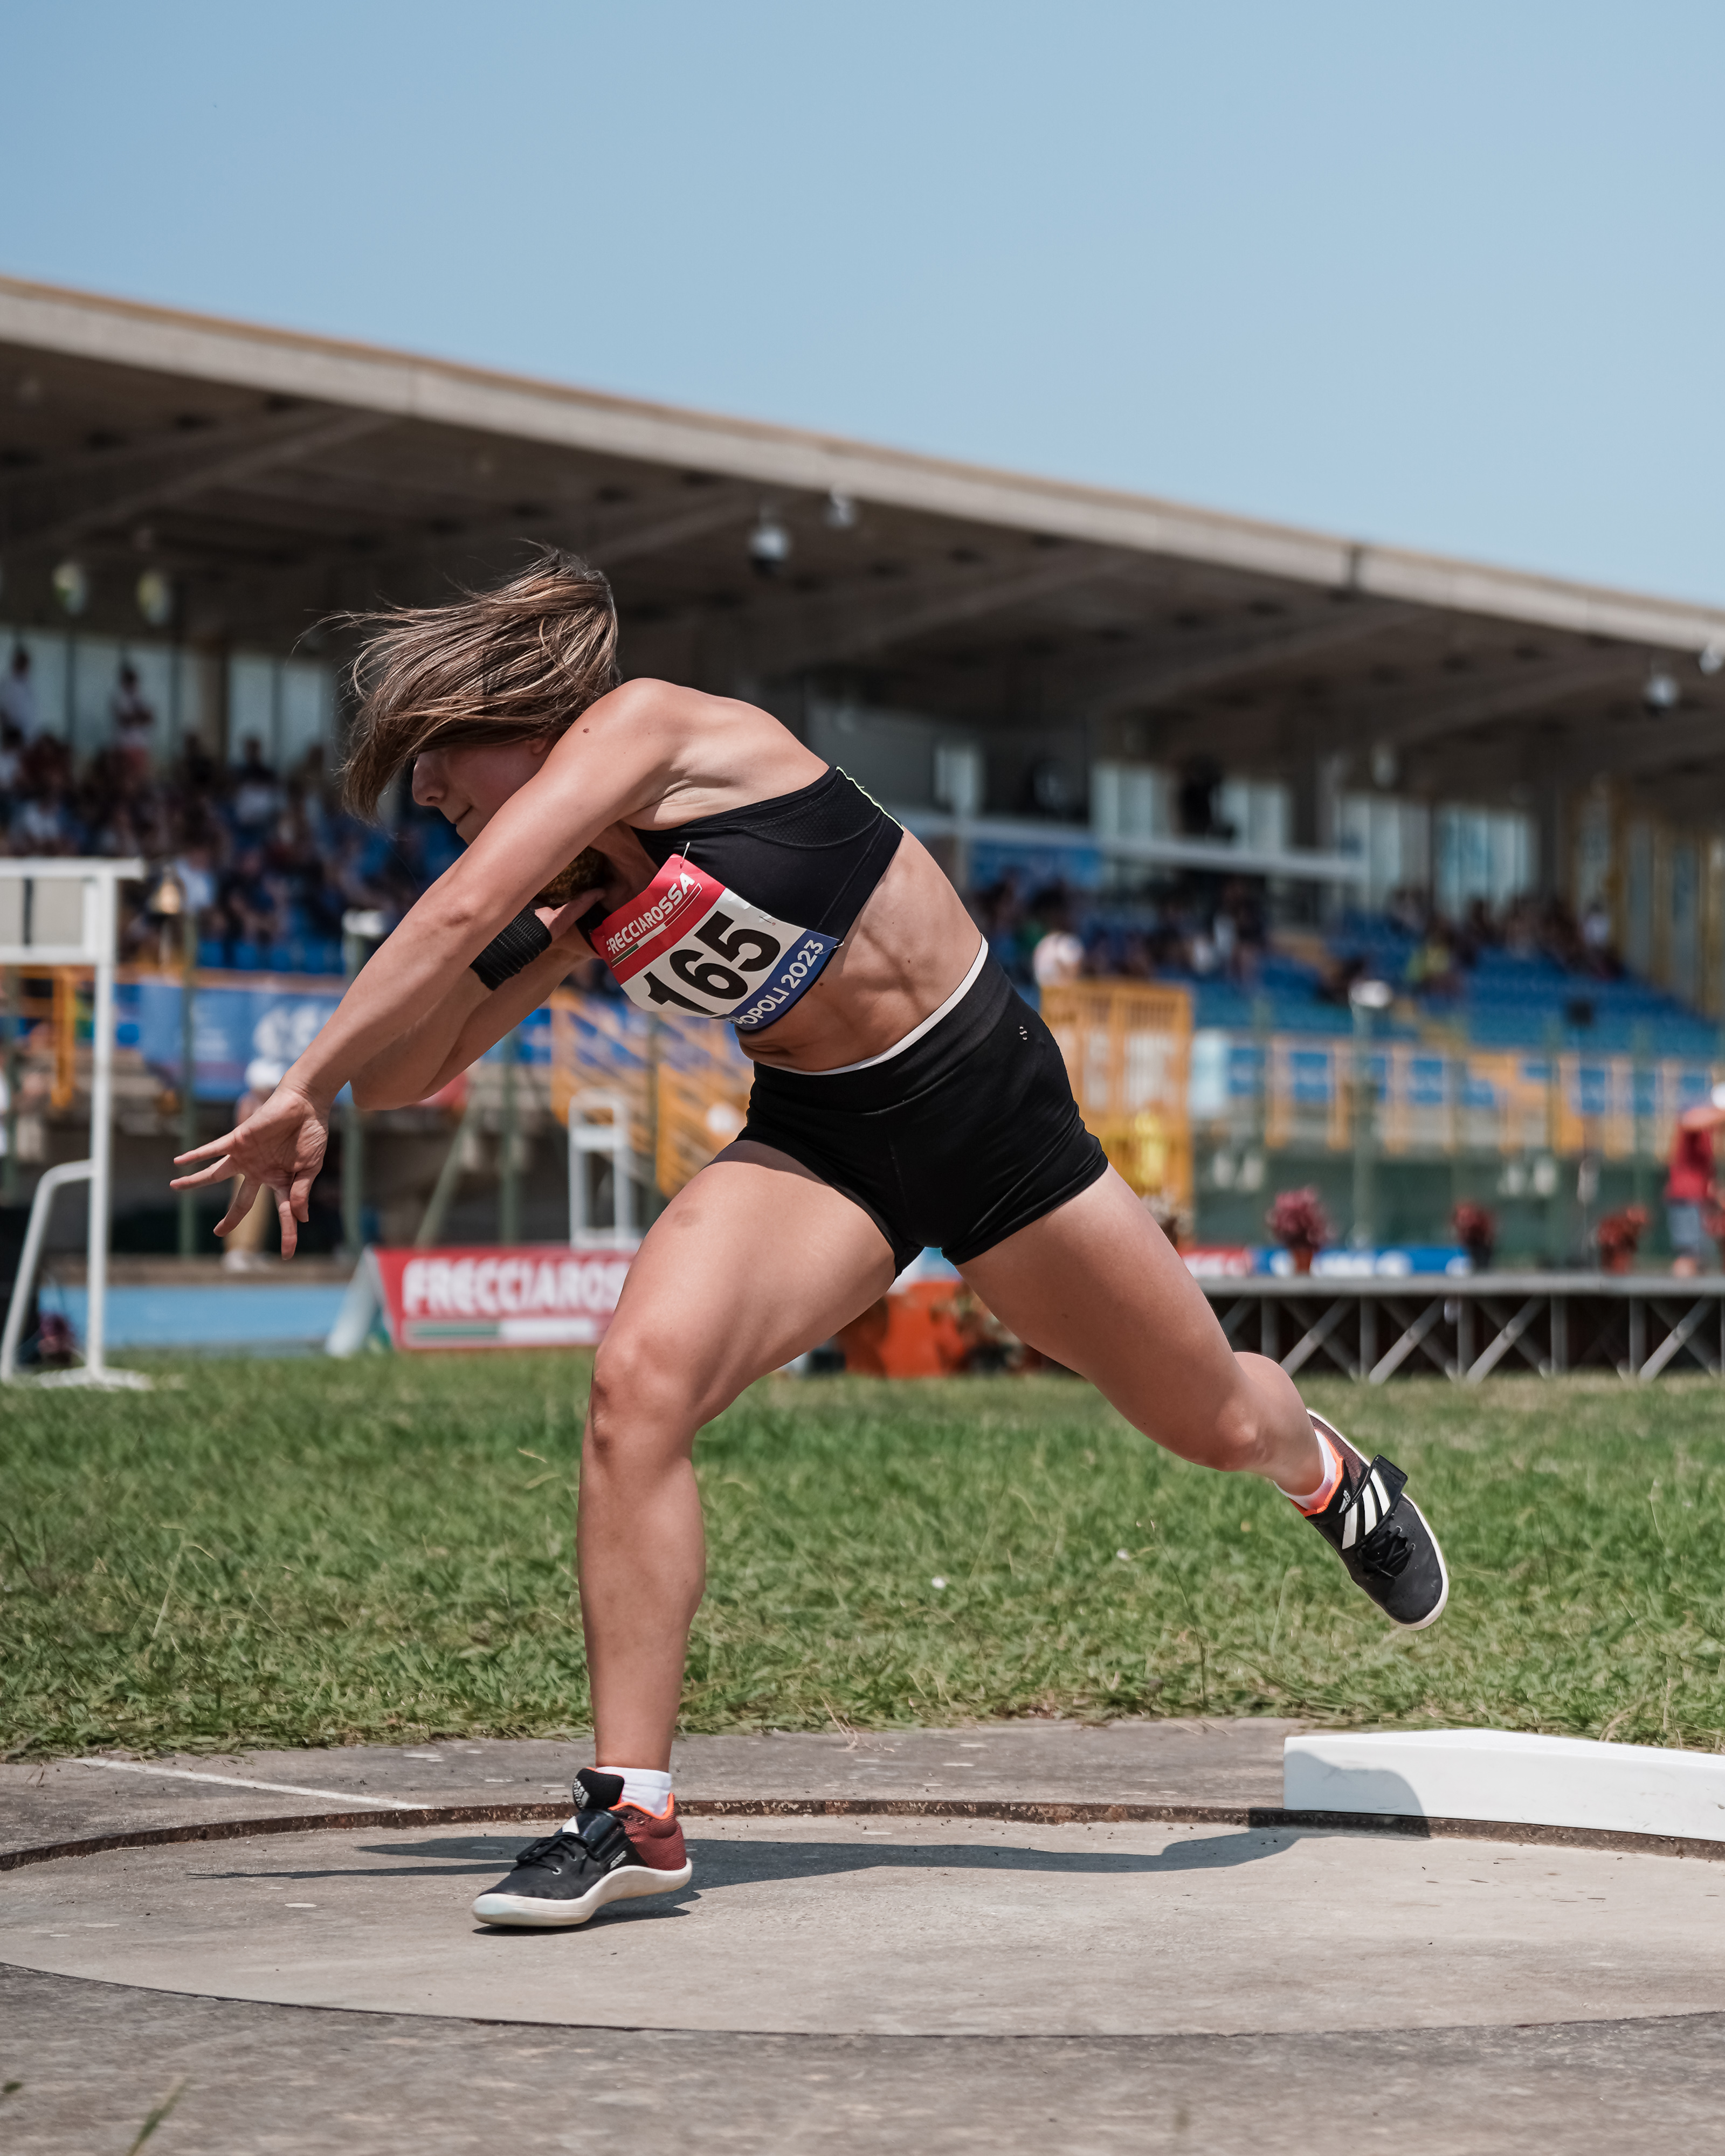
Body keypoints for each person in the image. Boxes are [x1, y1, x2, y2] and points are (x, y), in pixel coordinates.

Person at [169, 554, 1448, 1932]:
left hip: (991, 1116)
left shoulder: (651, 728)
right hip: (825, 1146)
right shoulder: (578, 894)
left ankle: (1324, 1470)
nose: (425, 792)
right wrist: (389, 1060)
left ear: (523, 714)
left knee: (1216, 1421)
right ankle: (631, 1811)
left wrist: (298, 1080)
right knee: (638, 1383)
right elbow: (414, 1068)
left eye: (436, 753)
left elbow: (454, 911)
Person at [1664, 1084, 1725, 1276]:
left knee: (1701, 1258)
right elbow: (1688, 1121)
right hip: (1686, 1198)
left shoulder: (1708, 1134)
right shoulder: (1696, 1118)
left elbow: (1707, 1176)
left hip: (1699, 1201)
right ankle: (1679, 1293)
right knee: (1689, 1255)